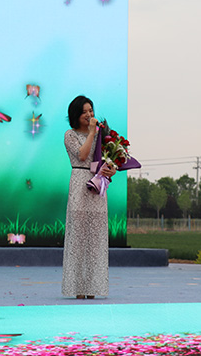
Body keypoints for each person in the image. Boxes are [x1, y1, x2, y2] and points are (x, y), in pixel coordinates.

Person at [62, 95, 116, 299]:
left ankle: (93, 288)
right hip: (79, 184)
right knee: (78, 238)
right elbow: (83, 155)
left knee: (95, 239)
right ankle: (77, 288)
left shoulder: (103, 134)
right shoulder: (70, 135)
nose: (89, 114)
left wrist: (111, 170)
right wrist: (92, 132)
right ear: (75, 115)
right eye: (84, 112)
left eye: (90, 110)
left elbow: (110, 159)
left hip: (97, 185)